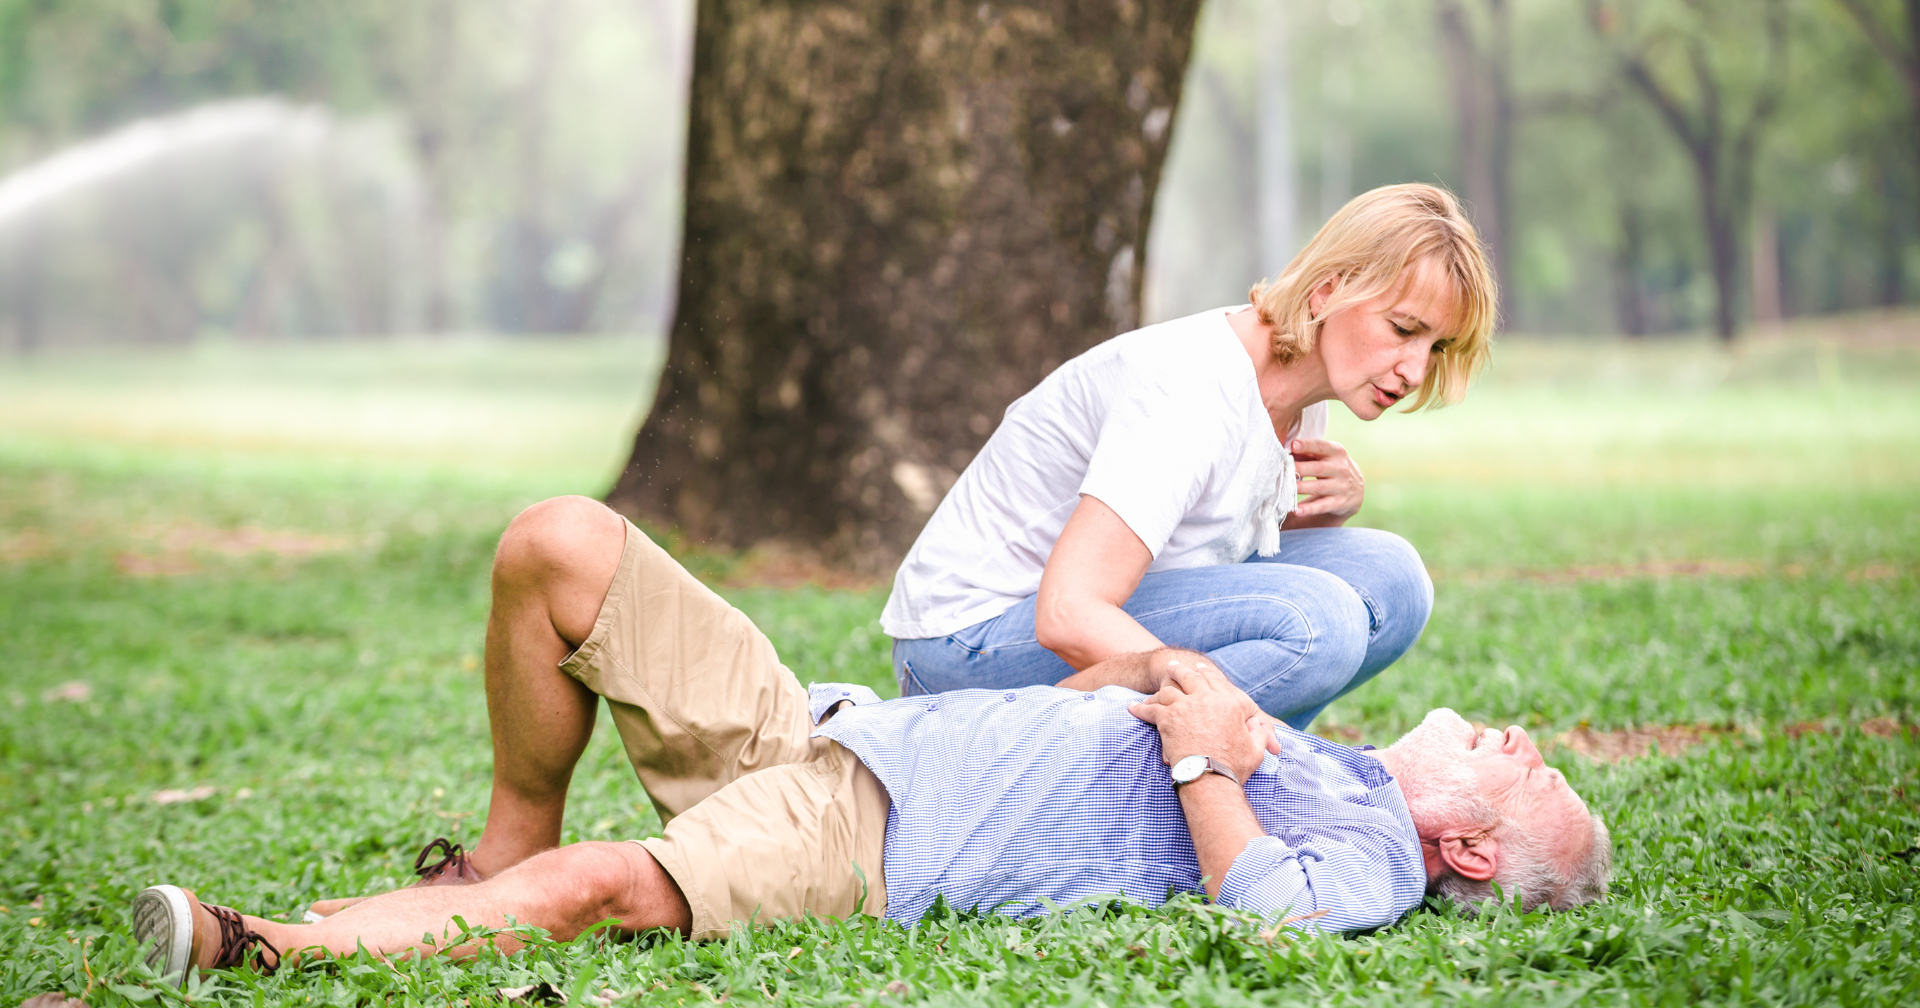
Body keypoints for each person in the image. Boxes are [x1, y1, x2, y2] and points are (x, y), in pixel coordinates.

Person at [134, 499, 1610, 979]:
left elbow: (1276, 927)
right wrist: (1167, 687)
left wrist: (1202, 746)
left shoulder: (1371, 858)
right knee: (559, 545)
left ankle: (269, 945)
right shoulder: (1327, 767)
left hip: (877, 839)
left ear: (1469, 844)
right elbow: (1100, 695)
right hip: (837, 727)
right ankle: (494, 844)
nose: (1521, 734)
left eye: (1529, 771)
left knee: (604, 885)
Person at [885, 183, 1497, 729]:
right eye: (1403, 328)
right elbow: (1068, 612)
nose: (1416, 370)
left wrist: (1311, 513)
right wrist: (1209, 703)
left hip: (1070, 611)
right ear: (1328, 291)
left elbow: (1197, 540)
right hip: (959, 651)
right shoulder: (1192, 388)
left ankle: (1225, 775)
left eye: (1437, 347)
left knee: (1394, 577)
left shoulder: (1304, 391)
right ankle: (1203, 774)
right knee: (1320, 622)